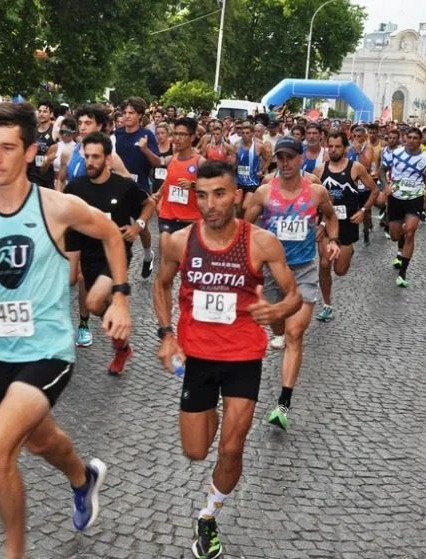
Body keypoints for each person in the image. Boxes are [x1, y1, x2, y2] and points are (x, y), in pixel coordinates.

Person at [0, 103, 131, 559]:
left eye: (8, 148)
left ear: (29, 152)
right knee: (41, 439)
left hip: (47, 347)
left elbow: (110, 235)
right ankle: (83, 478)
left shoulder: (56, 206)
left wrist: (120, 295)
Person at [154, 160, 301, 559]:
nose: (210, 204)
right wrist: (167, 334)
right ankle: (210, 417)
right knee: (197, 450)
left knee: (231, 449)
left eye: (219, 194)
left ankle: (209, 516)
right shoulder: (179, 242)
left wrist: (277, 311)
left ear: (237, 196)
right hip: (197, 358)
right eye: (202, 195)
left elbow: (293, 294)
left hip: (242, 358)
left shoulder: (261, 242)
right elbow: (162, 285)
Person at [244, 137, 340, 430]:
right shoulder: (263, 194)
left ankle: (283, 404)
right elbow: (244, 229)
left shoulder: (315, 193)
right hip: (273, 272)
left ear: (301, 160)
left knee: (295, 334)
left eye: (289, 157)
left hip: (304, 270)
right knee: (280, 328)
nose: (284, 163)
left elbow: (332, 217)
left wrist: (331, 238)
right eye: (280, 158)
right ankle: (280, 332)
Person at [64, 132, 153, 376]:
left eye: (96, 157)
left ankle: (121, 342)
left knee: (92, 302)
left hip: (115, 253)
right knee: (82, 293)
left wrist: (138, 226)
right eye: (87, 156)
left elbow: (149, 203)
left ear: (108, 159)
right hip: (86, 252)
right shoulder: (75, 187)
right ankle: (119, 334)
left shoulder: (123, 186)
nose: (90, 162)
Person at [316, 132, 376, 321]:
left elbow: (374, 190)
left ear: (345, 148)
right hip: (326, 223)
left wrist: (363, 210)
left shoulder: (355, 168)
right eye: (330, 146)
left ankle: (348, 252)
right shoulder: (319, 170)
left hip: (348, 223)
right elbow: (313, 196)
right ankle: (327, 305)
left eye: (337, 146)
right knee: (325, 263)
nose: (333, 150)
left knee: (340, 271)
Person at [379, 128, 426, 287]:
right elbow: (382, 170)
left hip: (415, 197)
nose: (411, 140)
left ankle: (402, 273)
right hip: (396, 197)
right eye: (409, 137)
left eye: (415, 138)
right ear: (405, 139)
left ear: (420, 140)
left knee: (410, 232)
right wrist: (385, 186)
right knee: (396, 235)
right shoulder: (395, 153)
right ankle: (400, 243)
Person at [112, 97, 161, 278]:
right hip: (118, 186)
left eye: (131, 113)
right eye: (124, 113)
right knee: (117, 224)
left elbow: (157, 162)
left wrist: (146, 150)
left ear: (140, 115)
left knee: (142, 228)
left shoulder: (147, 136)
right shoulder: (117, 134)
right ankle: (118, 260)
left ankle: (148, 255)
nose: (127, 116)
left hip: (139, 188)